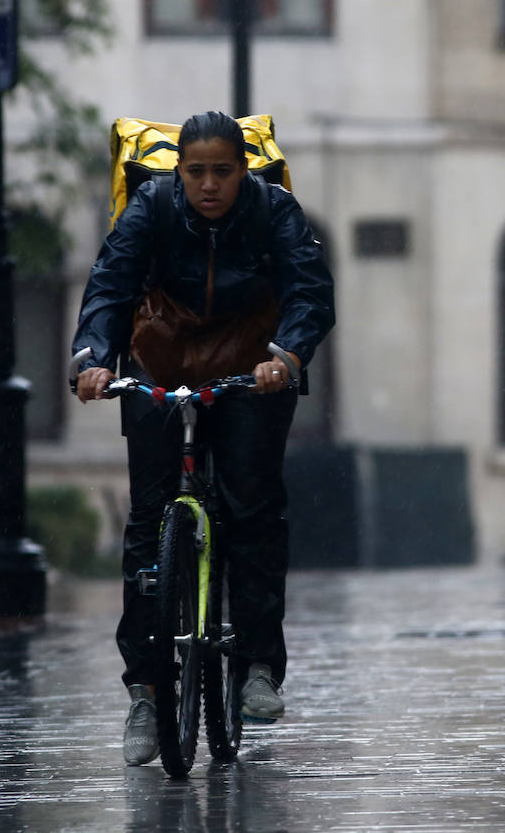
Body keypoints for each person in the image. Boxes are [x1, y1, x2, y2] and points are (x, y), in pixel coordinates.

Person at [70, 110, 335, 767]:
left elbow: (310, 291)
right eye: (197, 172)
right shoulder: (151, 209)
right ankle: (146, 692)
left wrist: (289, 356)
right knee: (149, 518)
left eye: (223, 171)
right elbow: (109, 285)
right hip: (162, 365)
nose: (209, 185)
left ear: (244, 170)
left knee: (253, 510)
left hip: (254, 369)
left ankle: (256, 670)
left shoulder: (275, 212)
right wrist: (93, 358)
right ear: (177, 171)